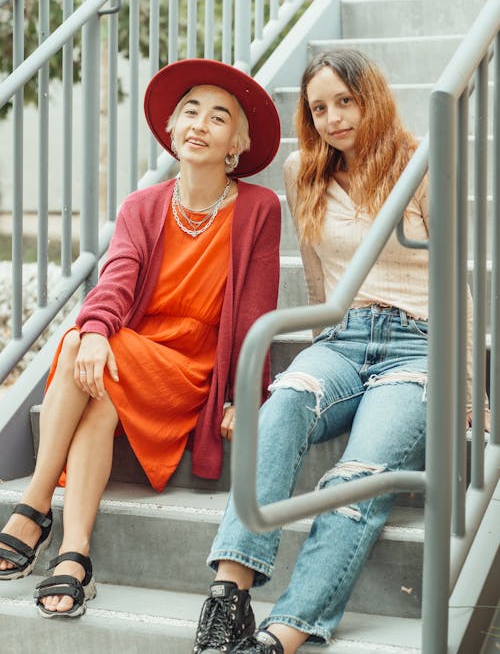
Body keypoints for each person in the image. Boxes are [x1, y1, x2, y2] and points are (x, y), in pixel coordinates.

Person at [192, 49, 489, 654]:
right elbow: (323, 281)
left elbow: (458, 283)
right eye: (318, 107)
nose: (331, 118)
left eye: (344, 102)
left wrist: (467, 388)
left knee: (357, 474)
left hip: (417, 347)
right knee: (280, 408)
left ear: (370, 97)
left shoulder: (418, 164)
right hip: (343, 338)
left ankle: (286, 633)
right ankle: (230, 593)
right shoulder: (303, 170)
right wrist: (317, 352)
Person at [0, 58, 282, 619]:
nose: (200, 124)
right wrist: (97, 331)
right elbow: (117, 281)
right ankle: (75, 552)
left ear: (236, 143)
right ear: (173, 129)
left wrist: (243, 393)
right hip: (129, 353)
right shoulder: (142, 205)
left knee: (89, 348)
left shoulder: (259, 208)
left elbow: (256, 310)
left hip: (191, 361)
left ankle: (33, 506)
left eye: (218, 116)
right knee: (92, 366)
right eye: (190, 112)